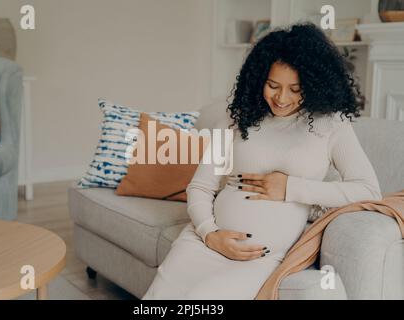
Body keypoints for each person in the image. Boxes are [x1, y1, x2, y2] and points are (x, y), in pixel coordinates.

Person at [142, 23, 382, 300]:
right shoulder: (238, 117)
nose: (281, 98)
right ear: (259, 80)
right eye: (273, 85)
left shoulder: (331, 125)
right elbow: (201, 186)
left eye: (296, 89)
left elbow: (368, 189)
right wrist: (210, 234)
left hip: (258, 259)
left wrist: (290, 187)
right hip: (203, 243)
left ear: (315, 84)